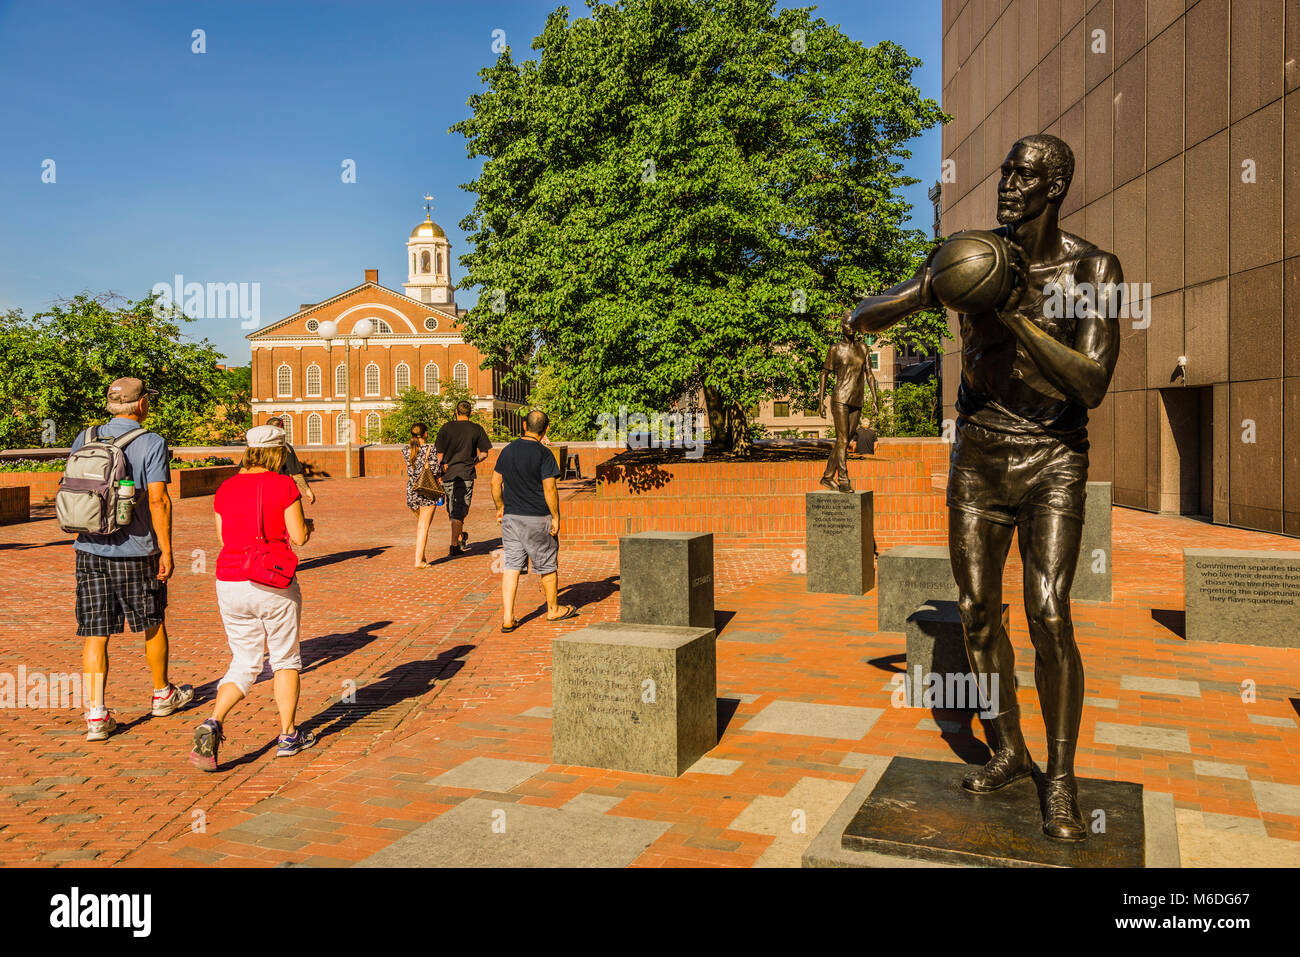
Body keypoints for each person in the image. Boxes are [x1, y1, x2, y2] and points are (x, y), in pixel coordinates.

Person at [849, 134, 1121, 842]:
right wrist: (911, 293)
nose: (1007, 183)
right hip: (979, 456)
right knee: (975, 611)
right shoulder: (973, 256)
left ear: (1055, 185)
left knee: (1049, 610)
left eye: (1024, 175)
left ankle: (1058, 780)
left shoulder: (1093, 268)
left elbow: (1091, 382)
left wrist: (1016, 319)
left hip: (1053, 454)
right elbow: (876, 311)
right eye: (1005, 170)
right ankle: (1008, 748)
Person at [71, 378, 194, 742]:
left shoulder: (85, 437)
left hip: (89, 547)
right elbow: (158, 500)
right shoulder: (151, 442)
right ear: (140, 405)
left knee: (95, 633)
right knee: (152, 622)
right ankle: (161, 694)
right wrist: (167, 549)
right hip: (136, 550)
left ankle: (96, 716)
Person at [190, 424, 316, 771]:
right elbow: (299, 537)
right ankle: (288, 735)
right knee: (285, 659)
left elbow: (223, 539)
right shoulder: (283, 484)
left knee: (244, 661)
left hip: (230, 580)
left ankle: (214, 720)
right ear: (278, 452)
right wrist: (309, 527)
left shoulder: (226, 488)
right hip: (273, 581)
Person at [491, 409, 577, 631]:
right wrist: (556, 516)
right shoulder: (544, 454)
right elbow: (550, 488)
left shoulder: (507, 451)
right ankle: (553, 609)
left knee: (511, 566)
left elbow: (494, 482)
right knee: (547, 563)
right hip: (537, 517)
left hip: (511, 518)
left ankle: (508, 617)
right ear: (546, 429)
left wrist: (501, 507)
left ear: (523, 426)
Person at [817, 317, 880, 492]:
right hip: (840, 399)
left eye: (854, 325)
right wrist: (820, 400)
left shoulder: (862, 348)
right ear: (841, 327)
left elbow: (869, 374)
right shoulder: (835, 349)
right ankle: (844, 480)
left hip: (857, 399)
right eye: (848, 325)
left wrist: (875, 397)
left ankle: (828, 476)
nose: (851, 328)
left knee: (842, 442)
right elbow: (824, 374)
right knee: (843, 440)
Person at [435, 400, 491, 557]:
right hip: (466, 474)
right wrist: (474, 462)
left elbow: (440, 456)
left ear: (456, 411)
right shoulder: (476, 429)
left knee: (453, 509)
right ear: (470, 413)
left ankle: (459, 537)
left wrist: (439, 474)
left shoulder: (446, 428)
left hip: (448, 474)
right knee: (460, 510)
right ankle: (454, 546)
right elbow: (484, 453)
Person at [404, 422, 443, 567]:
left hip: (412, 490)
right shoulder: (430, 449)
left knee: (421, 524)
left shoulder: (406, 449)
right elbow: (434, 470)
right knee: (423, 527)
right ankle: (418, 560)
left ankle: (422, 556)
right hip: (427, 490)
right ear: (425, 434)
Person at [265, 415, 315, 505]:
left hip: (261, 492)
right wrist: (307, 490)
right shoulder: (284, 448)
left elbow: (243, 470)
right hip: (280, 492)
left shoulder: (254, 448)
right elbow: (295, 473)